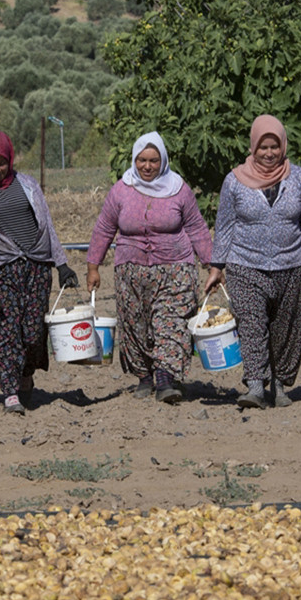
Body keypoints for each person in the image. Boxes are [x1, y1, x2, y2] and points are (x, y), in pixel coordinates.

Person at [204, 115, 301, 409]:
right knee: (251, 324)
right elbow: (224, 226)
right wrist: (216, 267)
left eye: (275, 146)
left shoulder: (299, 178)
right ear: (253, 147)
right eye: (263, 147)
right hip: (245, 264)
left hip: (290, 265)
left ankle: (279, 384)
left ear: (283, 146)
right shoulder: (234, 181)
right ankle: (255, 386)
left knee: (285, 329)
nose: (269, 153)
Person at [87, 131, 212, 403]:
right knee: (136, 325)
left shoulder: (179, 189)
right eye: (142, 160)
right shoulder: (121, 190)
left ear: (163, 161)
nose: (147, 166)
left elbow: (197, 228)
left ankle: (165, 379)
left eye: (153, 161)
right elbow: (104, 228)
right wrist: (93, 266)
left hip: (175, 270)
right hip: (130, 273)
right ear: (134, 160)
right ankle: (144, 376)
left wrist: (211, 264)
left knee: (171, 323)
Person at [0, 130, 77, 415]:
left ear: (10, 159)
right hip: (0, 272)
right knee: (5, 332)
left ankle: (26, 375)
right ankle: (10, 392)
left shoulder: (26, 183)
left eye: (1, 163)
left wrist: (61, 263)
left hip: (36, 267)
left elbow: (46, 223)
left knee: (32, 332)